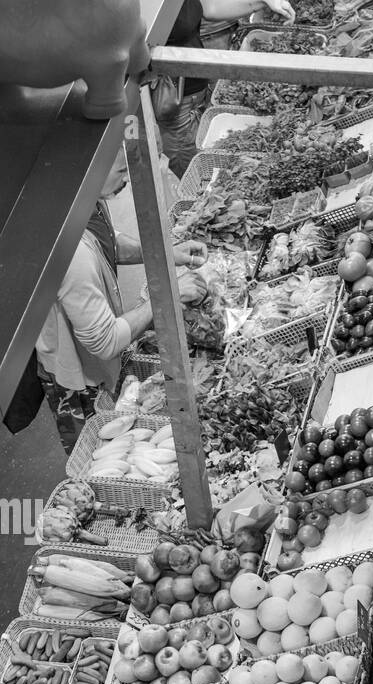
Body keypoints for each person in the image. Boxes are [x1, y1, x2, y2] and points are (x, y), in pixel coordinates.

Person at [36, 151, 207, 453]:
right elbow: (104, 341)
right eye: (120, 171)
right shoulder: (72, 254)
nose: (127, 178)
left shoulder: (88, 203)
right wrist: (168, 294)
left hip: (103, 357)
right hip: (81, 379)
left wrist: (165, 253)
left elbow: (108, 240)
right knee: (100, 452)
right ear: (91, 171)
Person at [159, 0, 296, 177]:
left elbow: (209, 7)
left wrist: (262, 2)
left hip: (198, 91)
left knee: (216, 157)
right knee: (200, 173)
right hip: (174, 104)